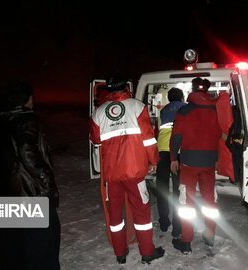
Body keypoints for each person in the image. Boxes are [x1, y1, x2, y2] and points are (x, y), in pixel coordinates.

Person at [89, 71, 165, 264]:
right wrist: (154, 162)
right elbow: (148, 139)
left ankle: (120, 253)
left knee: (115, 213)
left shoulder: (98, 113)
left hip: (111, 175)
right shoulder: (138, 107)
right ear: (126, 87)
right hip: (134, 173)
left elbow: (95, 139)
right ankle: (147, 252)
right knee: (141, 212)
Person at [0, 80, 60, 269]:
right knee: (43, 249)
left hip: (5, 195)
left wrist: (8, 171)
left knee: (12, 252)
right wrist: (45, 178)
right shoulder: (28, 118)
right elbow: (26, 150)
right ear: (29, 99)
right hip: (30, 195)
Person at [169, 77, 222, 254]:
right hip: (209, 163)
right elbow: (221, 135)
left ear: (192, 90)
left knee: (186, 203)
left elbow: (176, 136)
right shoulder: (216, 110)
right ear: (207, 91)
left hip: (189, 163)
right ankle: (210, 236)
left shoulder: (184, 111)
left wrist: (173, 158)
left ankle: (186, 242)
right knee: (210, 201)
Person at [155, 87, 185, 237]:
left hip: (162, 150)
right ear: (181, 97)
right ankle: (177, 226)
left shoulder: (164, 110)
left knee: (162, 187)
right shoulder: (185, 108)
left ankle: (164, 222)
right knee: (179, 189)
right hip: (177, 151)